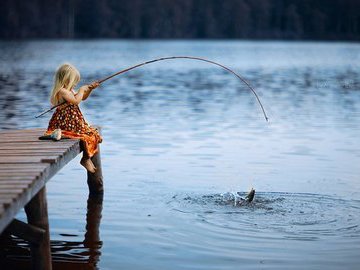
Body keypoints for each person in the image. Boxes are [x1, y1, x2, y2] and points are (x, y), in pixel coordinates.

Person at [45, 63, 102, 173]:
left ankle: (86, 158)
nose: (75, 83)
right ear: (66, 79)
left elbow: (82, 98)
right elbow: (76, 101)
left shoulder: (70, 90)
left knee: (92, 133)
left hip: (74, 121)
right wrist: (81, 90)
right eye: (74, 80)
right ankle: (86, 159)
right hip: (66, 122)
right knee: (86, 135)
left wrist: (89, 90)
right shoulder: (62, 91)